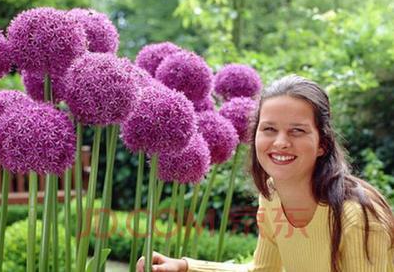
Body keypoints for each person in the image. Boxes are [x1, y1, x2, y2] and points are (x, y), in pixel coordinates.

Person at [136, 75, 394, 272]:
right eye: (269, 129)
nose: (280, 142)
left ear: (322, 144)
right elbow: (262, 270)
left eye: (297, 131)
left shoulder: (357, 216)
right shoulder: (272, 196)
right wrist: (184, 266)